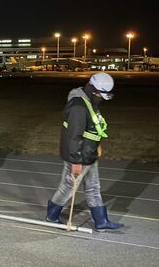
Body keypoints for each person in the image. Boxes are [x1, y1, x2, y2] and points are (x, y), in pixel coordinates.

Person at [46, 72, 124, 230]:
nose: (102, 98)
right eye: (101, 95)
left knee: (94, 187)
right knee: (68, 187)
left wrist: (97, 145)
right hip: (78, 155)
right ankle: (52, 215)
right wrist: (75, 161)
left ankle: (101, 221)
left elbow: (93, 127)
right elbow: (73, 136)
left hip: (89, 153)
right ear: (95, 90)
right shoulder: (78, 106)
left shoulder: (90, 100)